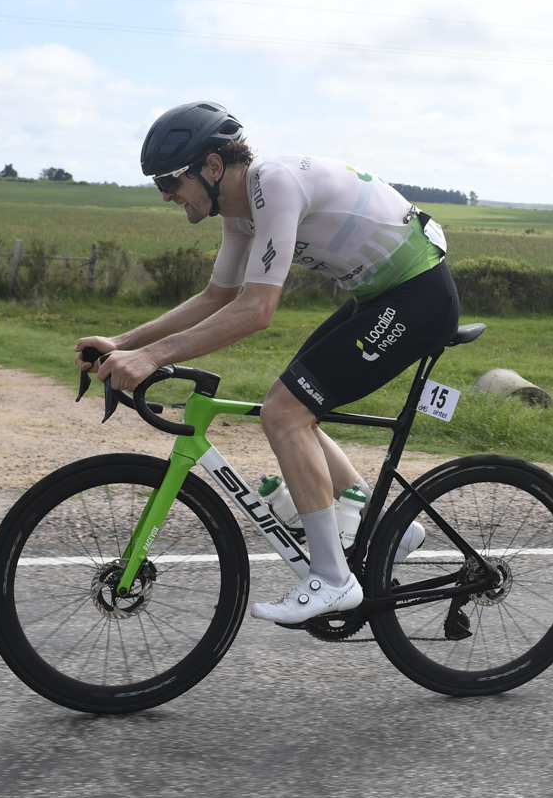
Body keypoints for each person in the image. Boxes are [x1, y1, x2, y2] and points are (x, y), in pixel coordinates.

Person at [77, 101, 459, 624]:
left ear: (213, 167)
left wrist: (150, 357)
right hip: (380, 295)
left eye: (169, 180)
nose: (165, 194)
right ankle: (391, 527)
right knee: (292, 402)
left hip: (417, 296)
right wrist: (123, 343)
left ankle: (332, 578)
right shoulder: (239, 212)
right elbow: (217, 297)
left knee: (285, 411)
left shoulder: (272, 184)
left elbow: (257, 310)